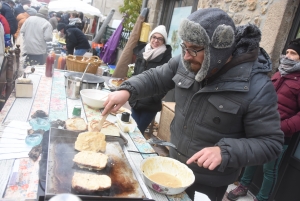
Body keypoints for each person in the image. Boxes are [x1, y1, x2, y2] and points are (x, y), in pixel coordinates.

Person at [102, 8, 284, 201]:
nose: (186, 56)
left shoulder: (257, 87)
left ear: (218, 51)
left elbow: (271, 143)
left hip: (209, 181)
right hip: (173, 166)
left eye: (194, 49)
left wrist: (226, 151)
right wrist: (127, 90)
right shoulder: (187, 60)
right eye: (184, 47)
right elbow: (156, 77)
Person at [227, 38, 300, 201]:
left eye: (293, 53)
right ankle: (243, 186)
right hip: (259, 127)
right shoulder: (278, 73)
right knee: (253, 158)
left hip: (280, 134)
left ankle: (262, 198)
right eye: (287, 52)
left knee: (269, 169)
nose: (288, 56)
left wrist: (283, 127)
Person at [130, 25, 172, 135]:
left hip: (150, 104)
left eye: (160, 38)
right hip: (136, 100)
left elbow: (167, 82)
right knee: (131, 130)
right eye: (154, 37)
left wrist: (154, 97)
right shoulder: (143, 53)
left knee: (137, 132)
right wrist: (131, 90)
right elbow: (135, 74)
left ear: (164, 41)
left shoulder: (166, 59)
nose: (156, 40)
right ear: (150, 38)